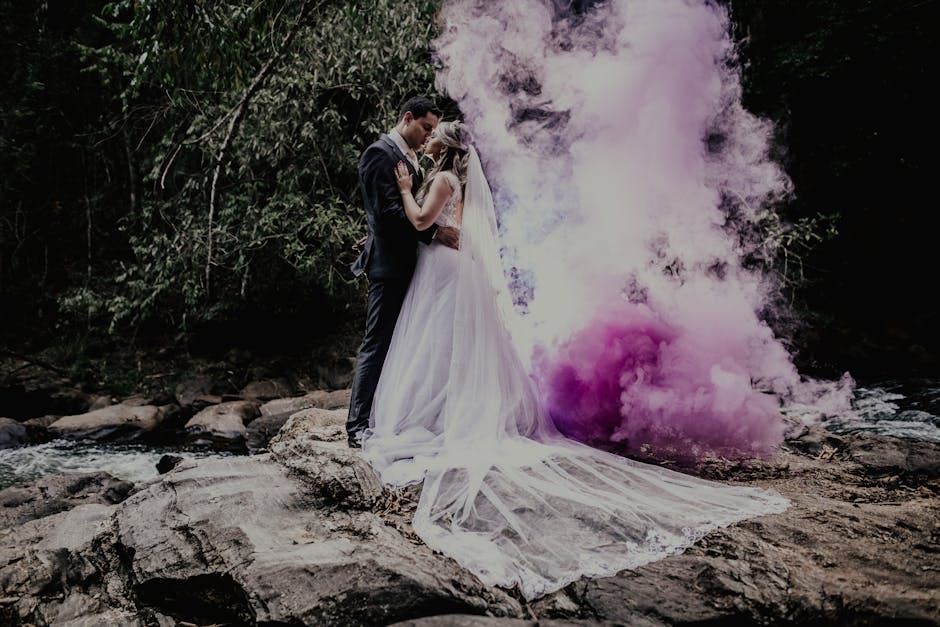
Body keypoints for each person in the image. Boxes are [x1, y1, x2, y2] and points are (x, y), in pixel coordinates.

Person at [360, 120, 790, 600]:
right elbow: (451, 230)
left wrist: (403, 190)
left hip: (443, 274)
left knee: (440, 344)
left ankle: (437, 414)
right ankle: (440, 410)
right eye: (431, 132)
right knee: (444, 348)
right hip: (446, 271)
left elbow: (423, 222)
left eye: (437, 135)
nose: (431, 137)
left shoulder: (442, 180)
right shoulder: (448, 177)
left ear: (446, 146)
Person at [346, 97, 460, 448]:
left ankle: (396, 415)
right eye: (425, 127)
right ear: (407, 118)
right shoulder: (379, 153)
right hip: (391, 266)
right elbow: (389, 213)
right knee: (378, 341)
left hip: (414, 263)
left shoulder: (411, 158)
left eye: (432, 130)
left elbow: (391, 213)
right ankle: (357, 425)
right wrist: (434, 231)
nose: (428, 135)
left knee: (407, 341)